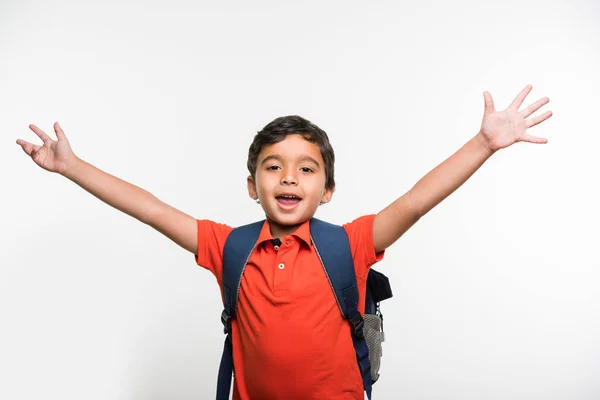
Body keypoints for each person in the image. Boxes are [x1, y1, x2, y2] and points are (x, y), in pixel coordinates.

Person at [16, 84, 552, 399]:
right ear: (253, 186)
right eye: (273, 168)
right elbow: (152, 209)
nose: (289, 178)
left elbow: (414, 201)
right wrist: (73, 167)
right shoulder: (229, 247)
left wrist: (483, 144)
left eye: (306, 168)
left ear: (328, 188)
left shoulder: (351, 243)